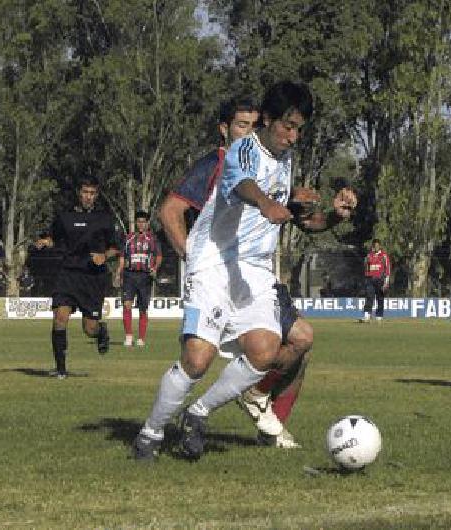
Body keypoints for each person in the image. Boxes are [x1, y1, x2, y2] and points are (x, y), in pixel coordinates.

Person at [134, 81, 352, 462]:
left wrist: (334, 214)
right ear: (267, 120)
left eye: (299, 128)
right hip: (214, 264)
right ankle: (150, 433)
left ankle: (198, 414)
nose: (293, 136)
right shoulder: (241, 151)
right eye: (287, 126)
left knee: (266, 350)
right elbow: (244, 185)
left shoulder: (285, 160)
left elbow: (304, 221)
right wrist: (267, 204)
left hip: (254, 269)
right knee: (197, 359)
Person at [35, 176, 120, 379]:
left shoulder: (105, 218)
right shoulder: (65, 217)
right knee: (60, 317)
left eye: (92, 193)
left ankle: (101, 332)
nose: (88, 197)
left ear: (96, 195)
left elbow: (116, 247)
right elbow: (53, 237)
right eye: (85, 192)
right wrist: (45, 242)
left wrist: (104, 256)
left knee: (89, 329)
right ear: (79, 193)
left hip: (92, 278)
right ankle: (61, 369)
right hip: (68, 274)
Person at [114, 210, 163, 347]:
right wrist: (119, 272)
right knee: (127, 304)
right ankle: (128, 336)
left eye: (143, 222)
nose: (141, 224)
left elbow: (158, 256)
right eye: (139, 222)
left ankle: (141, 338)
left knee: (143, 308)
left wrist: (155, 268)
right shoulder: (128, 238)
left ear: (147, 223)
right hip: (129, 275)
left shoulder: (152, 239)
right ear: (136, 223)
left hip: (145, 276)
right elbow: (123, 256)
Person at [359, 239, 391, 323]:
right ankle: (367, 316)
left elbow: (387, 269)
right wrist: (366, 278)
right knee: (369, 297)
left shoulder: (384, 256)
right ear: (373, 246)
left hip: (380, 280)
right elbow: (366, 268)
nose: (376, 247)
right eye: (374, 246)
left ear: (380, 246)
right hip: (370, 279)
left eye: (377, 246)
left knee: (380, 298)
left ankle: (379, 316)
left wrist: (386, 282)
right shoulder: (369, 255)